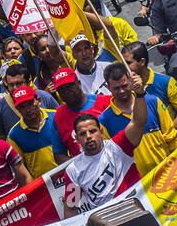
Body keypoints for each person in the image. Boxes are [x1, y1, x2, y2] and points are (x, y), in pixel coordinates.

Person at [65, 70, 157, 209]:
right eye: (83, 134)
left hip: (138, 208)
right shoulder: (73, 171)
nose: (89, 136)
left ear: (101, 132)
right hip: (107, 222)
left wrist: (139, 94)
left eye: (93, 131)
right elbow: (72, 206)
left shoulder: (118, 147)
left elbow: (139, 122)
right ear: (76, 139)